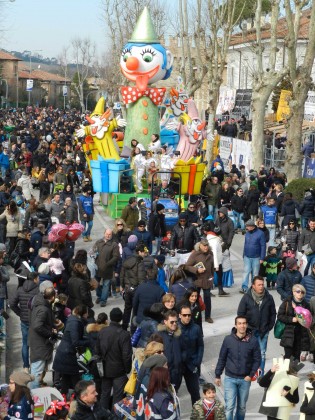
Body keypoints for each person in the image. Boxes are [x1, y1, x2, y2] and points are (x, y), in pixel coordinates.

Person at [215, 316, 261, 420]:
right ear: (235, 325)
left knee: (241, 407)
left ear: (247, 325)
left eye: (244, 323)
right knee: (229, 407)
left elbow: (257, 359)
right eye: (239, 323)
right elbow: (222, 358)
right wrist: (217, 375)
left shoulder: (253, 341)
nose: (242, 326)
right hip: (230, 378)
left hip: (245, 379)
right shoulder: (228, 340)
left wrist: (251, 375)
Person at [237, 276, 276, 375]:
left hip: (264, 330)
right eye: (259, 285)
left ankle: (260, 375)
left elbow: (273, 313)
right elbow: (240, 313)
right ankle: (249, 373)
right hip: (250, 331)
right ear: (253, 286)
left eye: (262, 284)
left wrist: (269, 326)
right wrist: (245, 327)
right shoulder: (246, 297)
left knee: (262, 353)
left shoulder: (268, 297)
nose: (261, 286)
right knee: (249, 353)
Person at [96, 307, 132, 409]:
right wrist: (127, 369)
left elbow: (97, 351)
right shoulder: (124, 334)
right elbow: (127, 355)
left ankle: (102, 415)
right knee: (118, 397)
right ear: (120, 319)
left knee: (105, 394)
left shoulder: (102, 332)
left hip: (105, 369)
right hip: (119, 370)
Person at [53, 304, 90, 394]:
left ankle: (64, 398)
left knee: (65, 378)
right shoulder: (76, 323)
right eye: (87, 313)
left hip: (63, 352)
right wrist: (88, 342)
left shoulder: (72, 319)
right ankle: (80, 398)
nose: (87, 315)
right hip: (67, 354)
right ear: (83, 314)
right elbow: (75, 342)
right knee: (76, 380)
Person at [9, 271, 39, 372]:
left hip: (24, 320)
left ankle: (26, 366)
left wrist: (20, 313)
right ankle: (35, 365)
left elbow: (12, 303)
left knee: (25, 343)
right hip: (35, 320)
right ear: (35, 279)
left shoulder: (20, 289)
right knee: (35, 343)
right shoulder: (38, 290)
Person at [29, 285, 57, 389]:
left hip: (37, 342)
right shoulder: (44, 309)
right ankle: (33, 397)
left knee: (37, 371)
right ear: (52, 297)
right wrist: (50, 332)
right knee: (36, 372)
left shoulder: (38, 304)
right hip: (40, 345)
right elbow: (37, 326)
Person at [277, 284, 310, 361]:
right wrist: (291, 319)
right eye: (298, 291)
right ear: (293, 292)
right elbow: (280, 316)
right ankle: (285, 372)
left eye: (302, 292)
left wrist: (301, 318)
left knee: (296, 358)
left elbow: (308, 320)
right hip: (289, 333)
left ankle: (294, 372)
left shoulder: (305, 304)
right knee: (288, 357)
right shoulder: (287, 302)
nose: (300, 294)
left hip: (300, 334)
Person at [185, 239, 215, 324]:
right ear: (200, 246)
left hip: (207, 280)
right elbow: (187, 266)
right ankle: (195, 315)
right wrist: (197, 270)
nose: (206, 247)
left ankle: (208, 316)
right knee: (196, 299)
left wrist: (212, 277)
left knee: (207, 298)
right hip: (197, 280)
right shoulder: (195, 254)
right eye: (204, 246)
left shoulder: (211, 253)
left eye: (207, 245)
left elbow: (212, 266)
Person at [179, 305, 204, 405]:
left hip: (192, 365)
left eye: (189, 315)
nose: (187, 317)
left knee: (195, 393)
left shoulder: (196, 328)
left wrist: (198, 361)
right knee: (172, 392)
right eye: (184, 315)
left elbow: (200, 346)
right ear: (180, 315)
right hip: (179, 366)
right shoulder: (175, 328)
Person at [120, 243, 147, 330]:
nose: (145, 254)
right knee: (135, 310)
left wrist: (122, 285)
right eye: (144, 252)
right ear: (139, 252)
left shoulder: (127, 260)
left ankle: (124, 327)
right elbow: (141, 278)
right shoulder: (140, 262)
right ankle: (133, 329)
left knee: (127, 309)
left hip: (127, 288)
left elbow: (122, 274)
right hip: (136, 289)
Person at [93, 229, 120, 307]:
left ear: (111, 235)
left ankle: (103, 300)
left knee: (106, 285)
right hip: (97, 267)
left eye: (110, 234)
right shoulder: (98, 242)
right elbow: (93, 251)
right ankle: (99, 296)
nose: (108, 235)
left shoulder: (114, 245)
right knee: (96, 283)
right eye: (107, 234)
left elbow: (116, 256)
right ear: (104, 233)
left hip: (108, 268)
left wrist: (108, 263)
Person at [157, 310, 183, 391]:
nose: (174, 324)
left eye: (176, 322)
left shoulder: (179, 335)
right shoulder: (159, 336)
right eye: (172, 322)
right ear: (165, 322)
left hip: (177, 373)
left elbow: (184, 350)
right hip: (164, 374)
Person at [240, 219, 266, 294]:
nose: (247, 228)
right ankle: (244, 287)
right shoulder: (247, 233)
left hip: (256, 257)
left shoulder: (260, 234)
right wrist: (243, 254)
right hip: (247, 256)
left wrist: (262, 258)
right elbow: (245, 244)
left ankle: (254, 288)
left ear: (252, 226)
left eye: (248, 226)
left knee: (255, 274)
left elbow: (263, 246)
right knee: (246, 272)